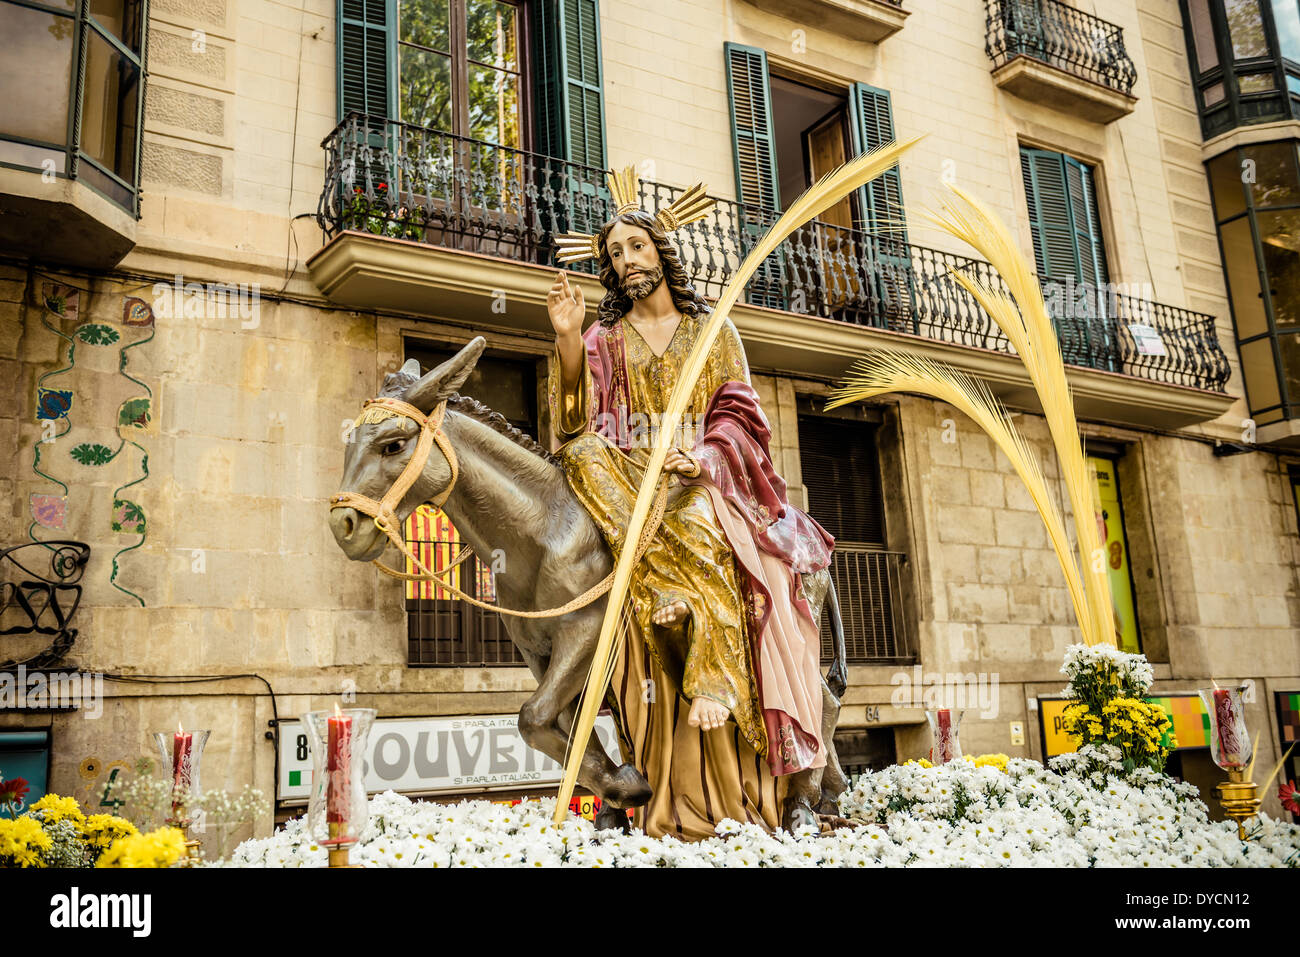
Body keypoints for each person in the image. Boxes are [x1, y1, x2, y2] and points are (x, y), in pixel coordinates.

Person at [545, 170, 836, 837]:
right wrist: (566, 338)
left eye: (636, 247)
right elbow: (573, 422)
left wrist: (700, 459)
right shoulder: (604, 341)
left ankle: (711, 674)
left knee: (702, 521)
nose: (626, 262)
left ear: (661, 250)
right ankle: (658, 587)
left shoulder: (713, 332)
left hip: (704, 479)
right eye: (616, 254)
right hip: (629, 480)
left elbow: (739, 416)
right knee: (585, 456)